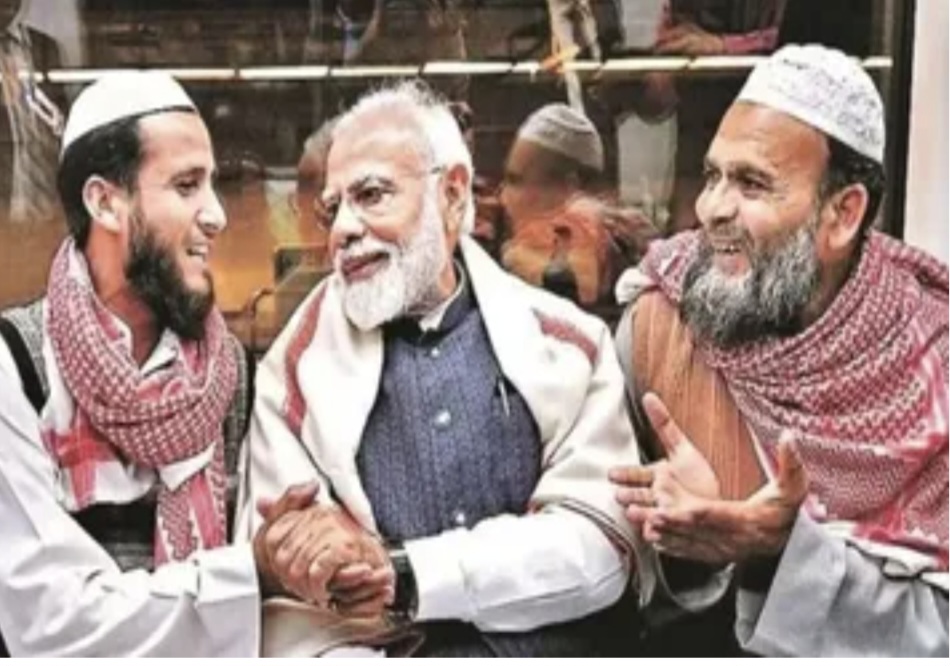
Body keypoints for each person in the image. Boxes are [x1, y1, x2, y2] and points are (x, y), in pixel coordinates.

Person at [237, 81, 654, 657]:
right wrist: (301, 559)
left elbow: (599, 547)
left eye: (372, 195)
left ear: (452, 195)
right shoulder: (292, 374)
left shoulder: (570, 344)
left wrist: (409, 574)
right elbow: (296, 609)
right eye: (332, 209)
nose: (342, 230)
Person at [610, 44, 949, 656]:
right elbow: (614, 584)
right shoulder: (657, 330)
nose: (711, 209)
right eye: (712, 176)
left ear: (842, 214)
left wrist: (780, 552)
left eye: (751, 183)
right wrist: (685, 547)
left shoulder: (935, 361)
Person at [0, 70, 309, 656]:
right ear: (105, 203)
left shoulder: (231, 376)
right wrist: (251, 575)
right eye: (187, 185)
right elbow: (49, 624)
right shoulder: (14, 367)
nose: (217, 215)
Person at [499, 103, 656, 321]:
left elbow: (583, 289)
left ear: (569, 186)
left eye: (516, 181)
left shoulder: (581, 239)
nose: (503, 197)